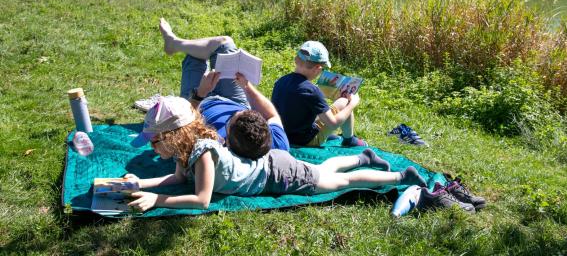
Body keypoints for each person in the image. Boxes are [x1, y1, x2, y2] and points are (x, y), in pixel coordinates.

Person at [125, 96, 426, 211]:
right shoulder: (184, 153)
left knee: (338, 183)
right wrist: (140, 184)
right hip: (271, 165)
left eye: (154, 141)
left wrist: (157, 201)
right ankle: (363, 158)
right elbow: (176, 179)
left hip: (277, 174)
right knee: (326, 172)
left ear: (176, 136)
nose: (152, 147)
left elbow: (201, 200)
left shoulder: (203, 154)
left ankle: (400, 175)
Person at [159, 18, 289, 156]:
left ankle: (173, 43)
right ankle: (174, 43)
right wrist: (246, 86)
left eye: (231, 119)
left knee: (194, 57)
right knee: (225, 44)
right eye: (245, 113)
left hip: (198, 105)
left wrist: (200, 94)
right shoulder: (277, 145)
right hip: (235, 100)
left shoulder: (211, 147)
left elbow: (184, 125)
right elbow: (272, 115)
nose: (231, 114)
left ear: (227, 140)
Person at [272, 41, 365, 147]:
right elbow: (333, 123)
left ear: (296, 60)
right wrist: (353, 103)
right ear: (318, 68)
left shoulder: (281, 81)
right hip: (305, 140)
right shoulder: (312, 91)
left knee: (329, 108)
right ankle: (350, 140)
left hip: (282, 135)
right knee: (344, 102)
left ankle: (325, 133)